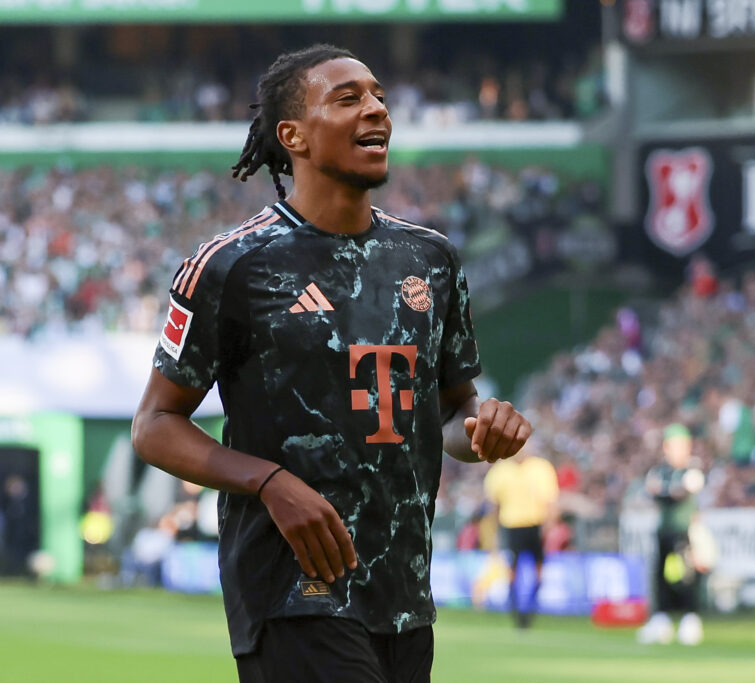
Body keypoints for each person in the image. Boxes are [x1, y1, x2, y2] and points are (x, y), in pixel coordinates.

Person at [131, 44, 531, 683]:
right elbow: (153, 425)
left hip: (404, 598)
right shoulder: (233, 266)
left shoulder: (431, 259)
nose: (376, 110)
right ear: (293, 136)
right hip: (293, 591)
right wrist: (269, 481)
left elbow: (453, 413)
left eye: (378, 96)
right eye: (348, 99)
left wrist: (483, 428)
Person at [636, 423, 706, 645]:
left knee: (686, 577)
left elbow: (676, 494)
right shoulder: (661, 471)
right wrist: (665, 492)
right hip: (664, 530)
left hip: (684, 531)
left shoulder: (692, 470)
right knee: (660, 576)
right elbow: (655, 492)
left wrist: (664, 492)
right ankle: (661, 619)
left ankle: (690, 619)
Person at [483, 445, 559, 628]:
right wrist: (494, 532)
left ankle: (531, 608)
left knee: (539, 570)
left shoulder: (541, 468)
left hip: (535, 526)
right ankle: (516, 610)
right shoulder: (500, 471)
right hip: (511, 526)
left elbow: (550, 503)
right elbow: (494, 506)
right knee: (512, 572)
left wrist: (549, 528)